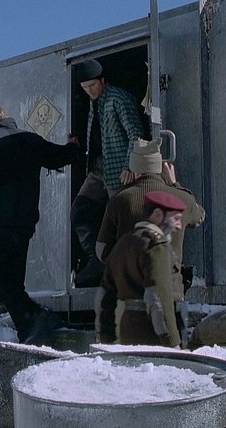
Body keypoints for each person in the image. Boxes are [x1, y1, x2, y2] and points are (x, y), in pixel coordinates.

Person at [0, 102, 81, 345]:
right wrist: (73, 147)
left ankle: (38, 314)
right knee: (13, 283)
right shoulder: (29, 139)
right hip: (24, 224)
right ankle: (28, 330)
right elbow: (57, 157)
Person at [96, 137, 206, 293]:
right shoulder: (183, 199)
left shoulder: (119, 201)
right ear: (159, 167)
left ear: (134, 169)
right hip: (170, 290)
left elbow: (101, 249)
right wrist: (175, 185)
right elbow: (199, 217)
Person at [71, 58, 145, 287]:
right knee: (80, 211)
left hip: (118, 169)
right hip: (97, 169)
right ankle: (97, 263)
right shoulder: (93, 103)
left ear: (102, 80)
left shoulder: (118, 98)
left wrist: (130, 166)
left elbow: (136, 133)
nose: (90, 91)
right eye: (85, 88)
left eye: (93, 85)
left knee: (123, 222)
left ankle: (127, 273)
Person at [96, 191, 188, 347]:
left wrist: (106, 338)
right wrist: (172, 343)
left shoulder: (124, 242)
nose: (179, 226)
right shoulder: (156, 247)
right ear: (158, 214)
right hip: (153, 334)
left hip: (127, 328)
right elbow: (158, 297)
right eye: (176, 219)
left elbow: (105, 296)